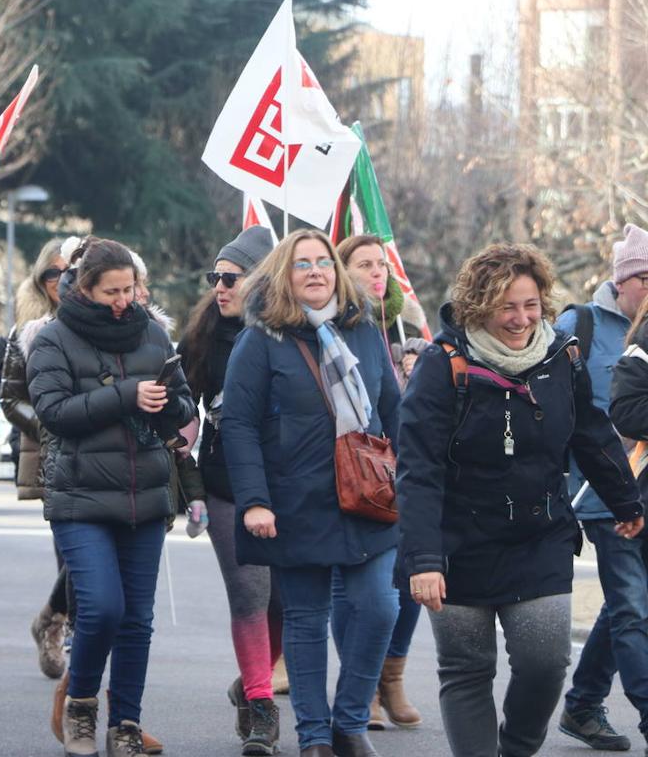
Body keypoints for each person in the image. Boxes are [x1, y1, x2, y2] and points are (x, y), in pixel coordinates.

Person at [397, 242, 645, 757]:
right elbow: (418, 469)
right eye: (507, 306)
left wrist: (626, 502)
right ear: (478, 305)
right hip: (457, 542)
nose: (520, 318)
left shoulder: (562, 354)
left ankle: (516, 748)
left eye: (530, 305)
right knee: (467, 669)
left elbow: (591, 434)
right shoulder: (444, 365)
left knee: (545, 663)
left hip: (539, 534)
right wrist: (423, 558)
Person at [220, 228, 401, 757]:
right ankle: (315, 737)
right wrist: (254, 500)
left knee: (379, 608)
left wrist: (408, 471)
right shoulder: (261, 339)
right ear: (284, 276)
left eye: (324, 262)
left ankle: (349, 722)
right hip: (295, 500)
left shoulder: (364, 329)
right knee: (305, 619)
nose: (317, 271)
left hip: (367, 496)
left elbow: (392, 406)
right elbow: (240, 426)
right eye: (303, 265)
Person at [26, 236, 196, 757]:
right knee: (100, 608)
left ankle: (126, 721)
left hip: (144, 494)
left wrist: (167, 403)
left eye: (131, 289)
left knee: (136, 620)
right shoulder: (53, 339)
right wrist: (126, 394)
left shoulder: (152, 334)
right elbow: (53, 412)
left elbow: (184, 404)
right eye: (113, 292)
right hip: (80, 495)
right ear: (85, 288)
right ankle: (80, 704)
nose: (125, 300)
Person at [178, 226, 283, 756]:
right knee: (250, 597)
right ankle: (263, 708)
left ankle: (251, 683)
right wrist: (189, 484)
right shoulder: (200, 337)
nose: (220, 287)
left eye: (232, 278)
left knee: (286, 602)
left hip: (289, 486)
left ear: (262, 280)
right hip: (226, 487)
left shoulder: (289, 336)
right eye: (215, 277)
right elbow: (182, 422)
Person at [556, 223, 648, 751]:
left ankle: (583, 704)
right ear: (627, 280)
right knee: (633, 608)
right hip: (596, 493)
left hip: (643, 494)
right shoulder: (581, 323)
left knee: (625, 606)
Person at [338, 233, 423, 730]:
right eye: (364, 263)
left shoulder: (402, 328)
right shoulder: (336, 326)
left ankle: (391, 676)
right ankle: (363, 685)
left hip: (397, 468)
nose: (377, 272)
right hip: (350, 471)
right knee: (355, 591)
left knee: (411, 575)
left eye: (381, 264)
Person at [1, 237, 68, 679]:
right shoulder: (29, 331)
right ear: (41, 282)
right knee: (75, 558)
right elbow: (10, 398)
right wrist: (52, 424)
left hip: (112, 462)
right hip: (53, 461)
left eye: (69, 271)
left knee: (88, 566)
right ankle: (62, 630)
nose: (61, 281)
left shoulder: (113, 321)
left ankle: (52, 618)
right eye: (52, 274)